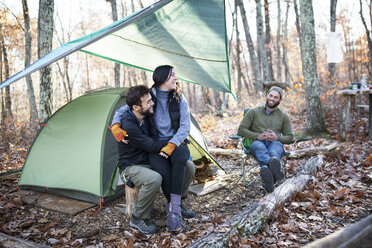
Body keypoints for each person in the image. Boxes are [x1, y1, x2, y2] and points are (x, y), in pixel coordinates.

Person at [112, 65, 194, 231]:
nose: (176, 78)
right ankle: (172, 206)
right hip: (156, 145)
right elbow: (125, 108)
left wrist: (172, 144)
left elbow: (185, 126)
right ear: (163, 78)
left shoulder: (179, 97)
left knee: (183, 162)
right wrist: (115, 125)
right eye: (173, 75)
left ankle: (175, 206)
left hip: (176, 142)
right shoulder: (150, 96)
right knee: (162, 173)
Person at [237, 86, 293, 193]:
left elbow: (290, 137)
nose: (272, 99)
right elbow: (241, 130)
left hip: (274, 143)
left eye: (276, 97)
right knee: (259, 147)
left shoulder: (283, 116)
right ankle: (275, 174)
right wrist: (257, 136)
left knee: (274, 152)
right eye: (271, 95)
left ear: (280, 100)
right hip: (257, 142)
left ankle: (269, 176)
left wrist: (278, 137)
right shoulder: (253, 112)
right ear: (267, 95)